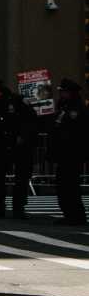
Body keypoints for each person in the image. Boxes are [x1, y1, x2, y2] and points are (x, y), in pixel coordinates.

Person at [0, 78, 35, 220]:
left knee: (21, 179)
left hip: (18, 146)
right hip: (1, 146)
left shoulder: (17, 101)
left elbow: (30, 120)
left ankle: (19, 209)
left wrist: (23, 136)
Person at [51, 79, 86, 226]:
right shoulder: (62, 105)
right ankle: (68, 213)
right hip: (63, 151)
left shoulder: (77, 107)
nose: (61, 93)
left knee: (71, 185)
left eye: (63, 91)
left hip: (73, 152)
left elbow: (77, 130)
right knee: (63, 184)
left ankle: (76, 215)